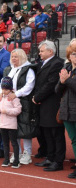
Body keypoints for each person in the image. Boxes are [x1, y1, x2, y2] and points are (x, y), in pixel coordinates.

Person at [33, 40, 65, 172]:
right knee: (47, 132)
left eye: (42, 51)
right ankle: (50, 157)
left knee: (56, 133)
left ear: (50, 51)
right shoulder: (43, 63)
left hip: (52, 103)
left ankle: (58, 161)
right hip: (43, 103)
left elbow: (51, 84)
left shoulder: (57, 63)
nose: (39, 53)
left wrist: (37, 97)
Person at [2, 49, 36, 165]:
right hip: (8, 102)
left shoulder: (28, 69)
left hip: (24, 102)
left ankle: (27, 153)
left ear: (22, 57)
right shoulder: (8, 69)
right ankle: (18, 152)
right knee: (12, 128)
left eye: (16, 56)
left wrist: (16, 94)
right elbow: (2, 85)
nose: (14, 59)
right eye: (12, 56)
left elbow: (29, 86)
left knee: (25, 127)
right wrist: (2, 95)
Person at [55, 44, 76, 178]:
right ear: (69, 56)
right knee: (74, 140)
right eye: (73, 53)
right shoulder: (66, 69)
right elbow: (57, 91)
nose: (75, 56)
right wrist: (62, 82)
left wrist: (67, 81)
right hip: (66, 110)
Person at [0, 77, 22, 168]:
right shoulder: (1, 97)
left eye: (6, 89)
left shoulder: (14, 98)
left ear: (10, 89)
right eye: (3, 89)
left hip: (11, 125)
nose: (4, 91)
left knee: (14, 143)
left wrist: (6, 111)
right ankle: (6, 160)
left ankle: (16, 161)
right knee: (5, 143)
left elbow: (18, 110)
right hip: (2, 124)